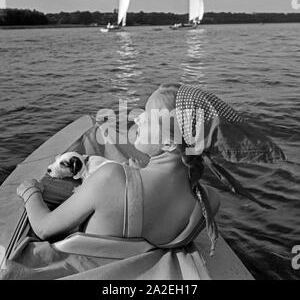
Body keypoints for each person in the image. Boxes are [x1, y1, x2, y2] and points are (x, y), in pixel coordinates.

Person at [16, 83, 220, 247]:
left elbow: (43, 228)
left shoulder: (110, 177)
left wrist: (29, 191)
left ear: (168, 143)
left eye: (148, 116)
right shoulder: (209, 201)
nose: (138, 118)